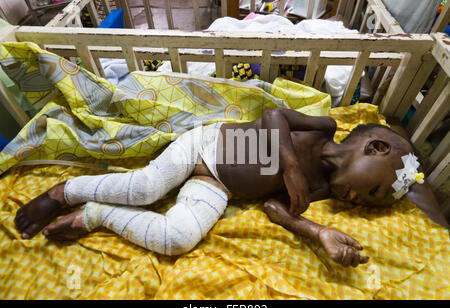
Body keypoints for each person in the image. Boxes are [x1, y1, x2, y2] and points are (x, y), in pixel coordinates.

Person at [14, 109, 448, 268]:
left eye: (366, 205)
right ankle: (63, 192)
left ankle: (93, 215)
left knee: (177, 239)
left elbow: (277, 209)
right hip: (207, 145)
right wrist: (291, 164)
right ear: (373, 148)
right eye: (371, 192)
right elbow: (273, 116)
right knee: (145, 187)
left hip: (218, 184)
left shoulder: (320, 190)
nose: (356, 201)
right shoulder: (322, 131)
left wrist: (318, 232)